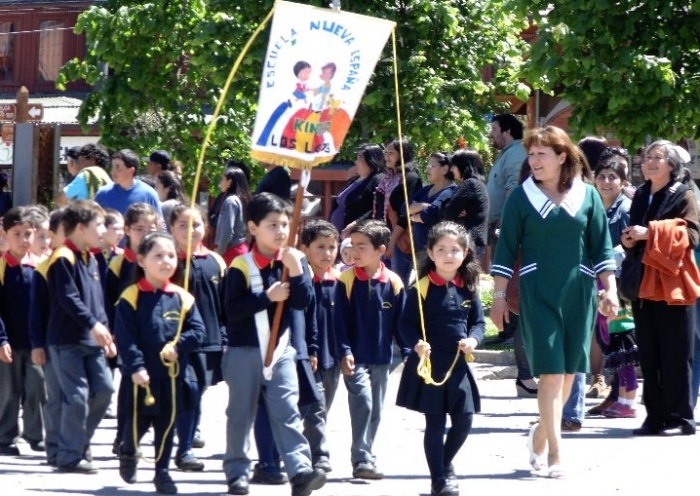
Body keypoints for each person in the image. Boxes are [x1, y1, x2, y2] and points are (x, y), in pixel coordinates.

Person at [490, 126, 618, 477]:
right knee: (549, 372)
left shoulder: (588, 196)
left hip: (579, 292)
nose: (533, 160)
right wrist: (499, 297)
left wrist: (611, 290)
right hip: (537, 290)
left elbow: (601, 248)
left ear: (563, 156)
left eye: (541, 153)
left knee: (567, 376)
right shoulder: (521, 197)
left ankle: (540, 433)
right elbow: (505, 249)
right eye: (531, 154)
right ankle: (556, 455)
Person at [222, 193, 326, 496]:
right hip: (245, 350)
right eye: (272, 225)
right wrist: (267, 297)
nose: (281, 231)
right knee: (240, 414)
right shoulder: (241, 265)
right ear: (253, 228)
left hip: (282, 351)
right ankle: (237, 472)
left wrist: (296, 270)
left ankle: (299, 472)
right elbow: (232, 310)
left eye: (284, 224)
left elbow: (304, 301)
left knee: (287, 411)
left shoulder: (293, 259)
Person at [396, 221, 484, 496]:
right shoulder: (421, 288)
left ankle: (444, 465)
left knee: (464, 420)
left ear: (466, 252)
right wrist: (417, 344)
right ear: (431, 254)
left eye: (455, 249)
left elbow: (478, 323)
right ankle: (439, 480)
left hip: (458, 366)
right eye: (442, 249)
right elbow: (405, 324)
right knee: (435, 422)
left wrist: (473, 339)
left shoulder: (469, 287)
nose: (449, 255)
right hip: (431, 367)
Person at [115, 232, 205, 494]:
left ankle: (162, 472)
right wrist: (136, 367)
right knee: (137, 424)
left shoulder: (183, 297)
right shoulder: (131, 296)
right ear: (141, 260)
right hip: (140, 377)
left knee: (166, 426)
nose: (166, 261)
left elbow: (198, 331)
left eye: (170, 255)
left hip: (172, 377)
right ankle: (129, 451)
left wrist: (178, 346)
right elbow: (125, 337)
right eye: (158, 255)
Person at [621, 140, 700, 436]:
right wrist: (630, 239)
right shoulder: (641, 194)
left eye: (657, 157)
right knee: (650, 353)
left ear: (671, 165)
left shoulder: (684, 194)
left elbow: (691, 234)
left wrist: (651, 232)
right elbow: (636, 233)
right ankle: (654, 417)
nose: (649, 162)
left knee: (677, 353)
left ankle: (681, 417)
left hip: (674, 284)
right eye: (646, 157)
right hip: (644, 282)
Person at [335, 219, 410, 480]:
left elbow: (402, 325)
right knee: (363, 402)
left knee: (376, 409)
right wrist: (344, 351)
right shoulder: (344, 279)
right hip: (354, 358)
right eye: (352, 245)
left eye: (361, 246)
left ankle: (366, 453)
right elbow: (339, 322)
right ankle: (361, 458)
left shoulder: (394, 282)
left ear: (380, 249)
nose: (354, 251)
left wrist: (410, 352)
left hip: (382, 358)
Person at [46, 200, 115, 473]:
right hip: (67, 339)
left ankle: (77, 442)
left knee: (105, 390)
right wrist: (92, 325)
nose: (103, 230)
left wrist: (105, 330)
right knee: (76, 396)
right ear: (81, 227)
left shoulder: (92, 257)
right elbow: (68, 297)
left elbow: (98, 300)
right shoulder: (63, 257)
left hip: (93, 339)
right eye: (98, 224)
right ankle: (69, 454)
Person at [169, 204, 227, 470]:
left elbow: (223, 304)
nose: (190, 230)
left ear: (207, 228)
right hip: (176, 340)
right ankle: (184, 448)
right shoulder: (168, 260)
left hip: (210, 339)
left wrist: (225, 337)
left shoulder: (216, 262)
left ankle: (189, 429)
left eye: (195, 225)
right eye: (182, 225)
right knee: (188, 389)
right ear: (171, 229)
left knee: (197, 388)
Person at [103, 202, 159, 455]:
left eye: (152, 228)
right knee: (128, 384)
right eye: (139, 229)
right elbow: (107, 300)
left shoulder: (162, 259)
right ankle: (123, 436)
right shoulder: (118, 263)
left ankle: (144, 435)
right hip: (125, 333)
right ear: (126, 230)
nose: (146, 234)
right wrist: (111, 332)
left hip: (154, 334)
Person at [587, 150, 632, 416]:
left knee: (622, 342)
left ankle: (624, 399)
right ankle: (614, 395)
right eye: (601, 176)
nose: (606, 182)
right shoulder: (594, 208)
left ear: (623, 182)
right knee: (607, 340)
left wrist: (603, 264)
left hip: (618, 285)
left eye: (613, 177)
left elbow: (628, 248)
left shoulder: (625, 209)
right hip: (596, 282)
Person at [485, 114, 529, 381]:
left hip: (506, 225)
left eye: (494, 129)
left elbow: (515, 185)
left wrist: (506, 221)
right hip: (500, 223)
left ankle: (511, 328)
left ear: (507, 130)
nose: (491, 134)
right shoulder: (507, 153)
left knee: (509, 273)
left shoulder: (515, 154)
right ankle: (507, 329)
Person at [300, 220, 343, 472]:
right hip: (305, 354)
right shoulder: (300, 280)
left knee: (322, 407)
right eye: (320, 247)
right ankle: (319, 454)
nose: (327, 253)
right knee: (314, 407)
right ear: (305, 249)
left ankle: (306, 445)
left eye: (331, 247)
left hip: (332, 354)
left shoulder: (340, 281)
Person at [0, 207, 43, 456]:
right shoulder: (2, 267)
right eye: (17, 234)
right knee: (9, 390)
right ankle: (5, 436)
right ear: (5, 234)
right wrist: (2, 338)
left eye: (28, 233)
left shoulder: (39, 266)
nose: (23, 239)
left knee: (38, 386)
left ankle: (35, 434)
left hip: (33, 341)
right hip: (9, 342)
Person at [28, 207, 66, 466]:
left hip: (68, 337)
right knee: (42, 390)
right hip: (44, 338)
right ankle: (44, 439)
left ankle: (61, 440)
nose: (43, 242)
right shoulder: (40, 267)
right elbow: (36, 310)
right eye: (39, 236)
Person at [401, 151, 457, 280]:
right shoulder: (426, 190)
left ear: (445, 169)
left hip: (438, 250)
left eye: (432, 166)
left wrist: (415, 215)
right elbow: (404, 208)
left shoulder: (451, 191)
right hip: (420, 249)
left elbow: (432, 213)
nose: (428, 169)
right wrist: (423, 206)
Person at [380, 138, 423, 284]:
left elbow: (406, 214)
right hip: (388, 233)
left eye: (391, 153)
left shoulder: (411, 178)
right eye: (386, 152)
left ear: (402, 154)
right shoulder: (390, 177)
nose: (387, 156)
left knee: (398, 281)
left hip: (400, 237)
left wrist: (392, 241)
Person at [441, 149, 489, 268]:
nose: (451, 170)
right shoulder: (479, 185)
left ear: (463, 166)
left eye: (454, 166)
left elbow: (448, 213)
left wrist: (446, 208)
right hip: (475, 243)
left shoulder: (470, 184)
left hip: (468, 242)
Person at [329, 143, 384, 237]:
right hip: (338, 234)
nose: (356, 162)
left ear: (371, 160)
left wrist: (355, 224)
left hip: (359, 234)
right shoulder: (356, 179)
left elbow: (375, 209)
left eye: (359, 158)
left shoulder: (378, 180)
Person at [94, 149, 163, 222]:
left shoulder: (148, 194)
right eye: (113, 167)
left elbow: (160, 223)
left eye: (117, 167)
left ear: (131, 170)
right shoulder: (103, 193)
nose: (112, 172)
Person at [214, 166, 251, 265]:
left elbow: (227, 231)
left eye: (223, 179)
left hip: (231, 252)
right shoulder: (241, 200)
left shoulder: (230, 201)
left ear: (229, 182)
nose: (220, 183)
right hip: (240, 249)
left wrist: (219, 252)